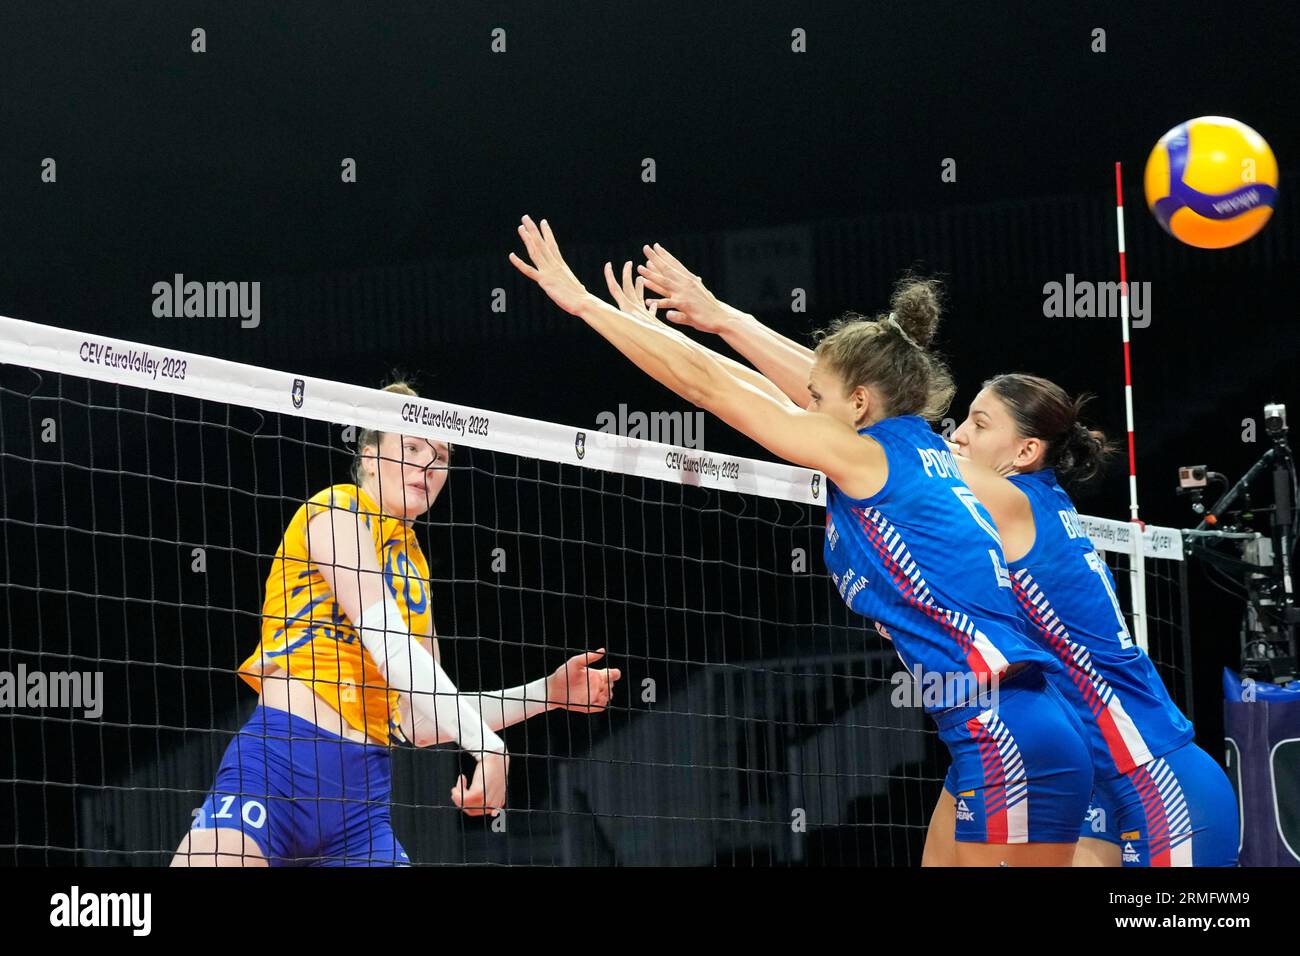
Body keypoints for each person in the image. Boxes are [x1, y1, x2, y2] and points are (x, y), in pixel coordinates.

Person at [511, 217, 1092, 865]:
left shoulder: (870, 457)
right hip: (1000, 729)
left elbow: (714, 390)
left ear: (862, 403)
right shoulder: (918, 445)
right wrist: (706, 319)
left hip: (1002, 728)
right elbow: (768, 385)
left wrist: (582, 304)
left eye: (819, 397)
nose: (805, 402)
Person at [171, 382, 621, 866]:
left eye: (441, 456)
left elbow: (421, 721)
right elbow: (389, 644)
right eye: (410, 448)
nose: (427, 467)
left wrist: (546, 694)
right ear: (368, 455)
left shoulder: (415, 568)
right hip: (276, 771)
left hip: (360, 806)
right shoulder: (333, 511)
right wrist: (488, 747)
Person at [933, 374, 1239, 867]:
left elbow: (892, 450)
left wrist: (767, 341)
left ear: (1027, 450)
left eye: (979, 423)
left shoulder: (1020, 505)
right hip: (1087, 781)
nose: (958, 434)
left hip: (1157, 784)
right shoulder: (1013, 512)